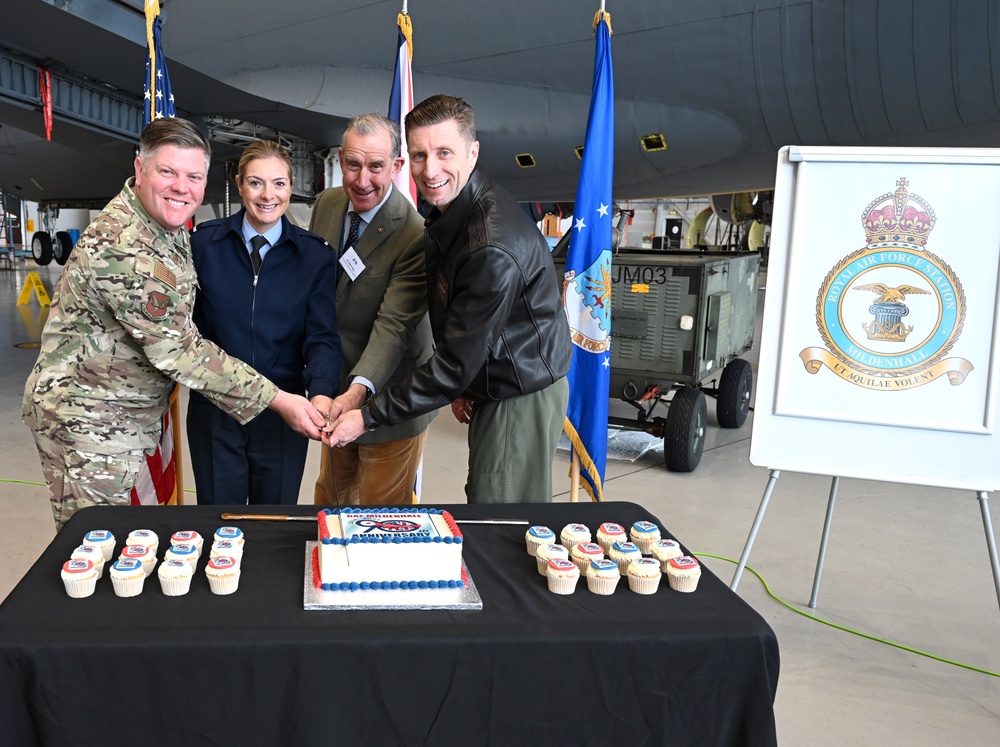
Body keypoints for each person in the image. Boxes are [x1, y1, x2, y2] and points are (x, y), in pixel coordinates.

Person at [22, 118, 326, 530]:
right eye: (167, 172)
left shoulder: (165, 229)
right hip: (92, 423)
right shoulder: (127, 248)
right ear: (139, 169)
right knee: (94, 548)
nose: (181, 187)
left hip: (125, 417)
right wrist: (281, 399)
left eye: (193, 176)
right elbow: (181, 349)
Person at [326, 95, 572, 504]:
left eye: (444, 153)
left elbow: (455, 362)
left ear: (472, 152)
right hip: (500, 376)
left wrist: (368, 416)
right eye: (420, 155)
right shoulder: (458, 207)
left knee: (499, 517)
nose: (430, 170)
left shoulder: (490, 246)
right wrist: (467, 385)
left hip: (519, 391)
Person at [188, 140, 341, 505]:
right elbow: (186, 332)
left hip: (284, 416)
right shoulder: (203, 245)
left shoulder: (314, 256)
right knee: (218, 524)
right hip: (216, 413)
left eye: (279, 183)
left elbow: (321, 336)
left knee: (274, 525)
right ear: (240, 184)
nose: (267, 195)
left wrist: (320, 393)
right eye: (256, 183)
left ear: (291, 187)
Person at [309, 113, 435, 506]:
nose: (362, 180)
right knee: (330, 500)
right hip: (335, 391)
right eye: (353, 164)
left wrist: (358, 392)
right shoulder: (328, 205)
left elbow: (394, 326)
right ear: (341, 160)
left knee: (378, 516)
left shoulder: (414, 233)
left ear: (397, 167)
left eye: (376, 166)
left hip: (390, 394)